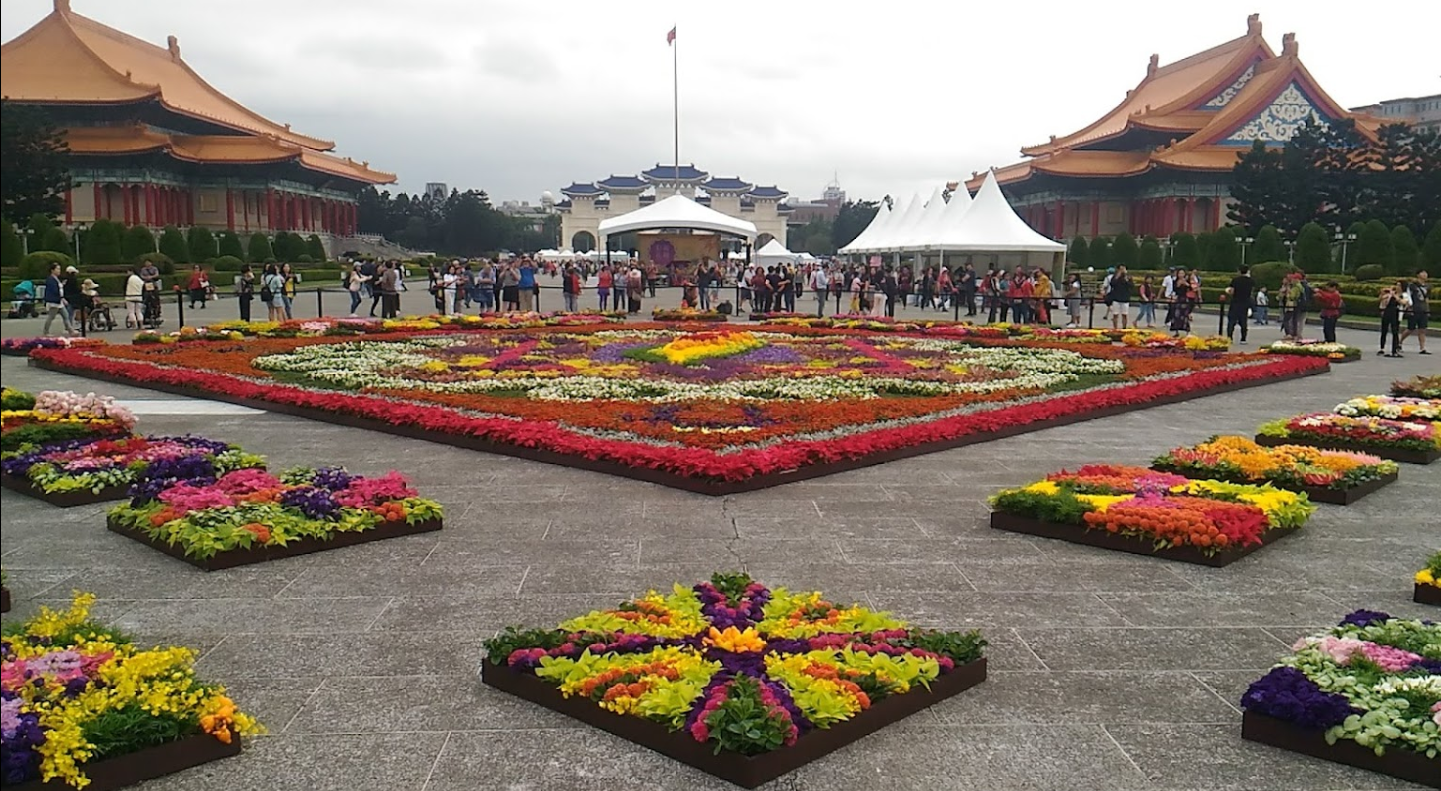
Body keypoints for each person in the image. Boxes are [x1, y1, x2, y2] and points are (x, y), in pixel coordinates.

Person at [1399, 270, 1430, 355]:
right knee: (1410, 328)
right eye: (1422, 273)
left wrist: (1427, 309)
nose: (1425, 275)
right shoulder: (1412, 286)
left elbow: (1426, 298)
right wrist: (1409, 307)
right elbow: (1408, 296)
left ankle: (1422, 347)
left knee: (1422, 329)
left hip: (1423, 310)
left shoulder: (1427, 286)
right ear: (1418, 275)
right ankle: (1399, 342)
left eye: (1425, 273)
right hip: (1414, 309)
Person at [41, 263, 74, 336]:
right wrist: (62, 298)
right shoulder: (50, 279)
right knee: (51, 317)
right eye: (57, 269)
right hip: (54, 301)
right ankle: (46, 332)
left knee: (66, 315)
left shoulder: (56, 279)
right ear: (52, 270)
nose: (59, 271)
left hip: (59, 301)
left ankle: (71, 330)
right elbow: (55, 290)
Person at [1225, 266, 1254, 343]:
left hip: (1235, 302)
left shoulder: (1235, 280)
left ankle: (1229, 337)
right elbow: (1251, 292)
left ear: (1239, 271)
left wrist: (1228, 292)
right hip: (1245, 302)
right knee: (1244, 321)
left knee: (1231, 321)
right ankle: (1243, 338)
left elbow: (1232, 291)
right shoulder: (1250, 281)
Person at [1378, 285, 1403, 357]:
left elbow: (1403, 302)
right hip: (1387, 312)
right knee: (1384, 330)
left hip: (1395, 313)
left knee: (1395, 331)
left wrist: (1394, 295)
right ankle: (1382, 348)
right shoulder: (1388, 295)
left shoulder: (1401, 295)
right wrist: (1384, 293)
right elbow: (1381, 299)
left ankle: (1394, 349)